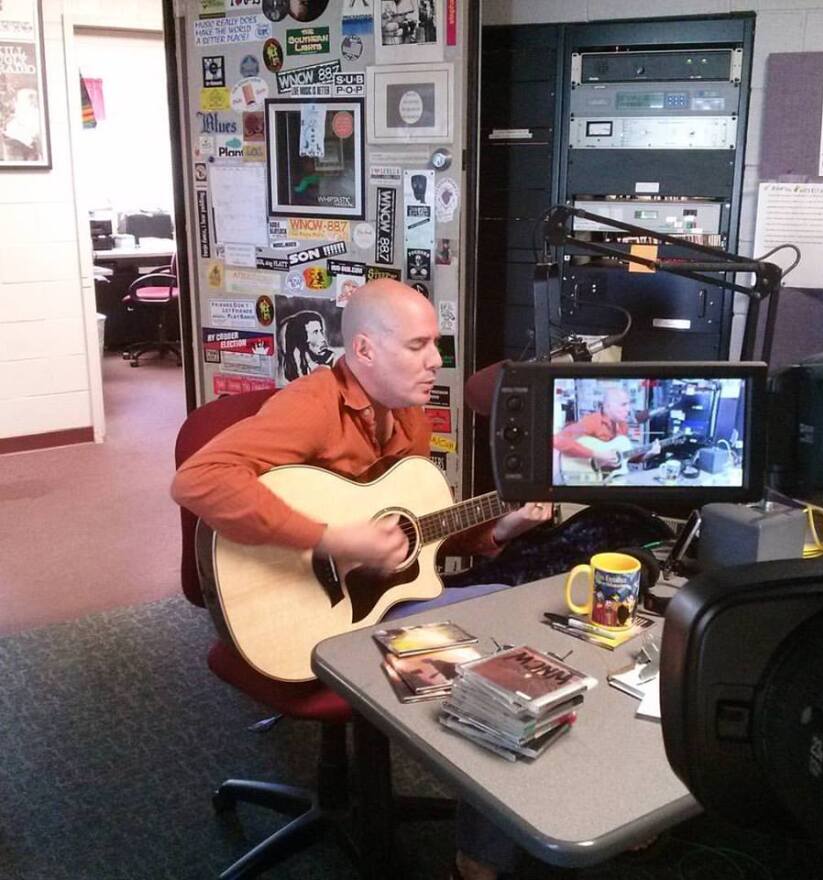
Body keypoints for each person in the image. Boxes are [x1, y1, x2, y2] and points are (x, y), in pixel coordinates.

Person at [172, 280, 550, 880]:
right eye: (419, 345)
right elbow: (198, 481)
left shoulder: (407, 411)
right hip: (304, 614)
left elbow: (415, 535)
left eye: (438, 344)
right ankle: (479, 862)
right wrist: (329, 537)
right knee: (494, 659)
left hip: (375, 603)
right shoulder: (311, 405)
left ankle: (490, 839)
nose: (436, 361)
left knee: (509, 614)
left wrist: (501, 529)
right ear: (366, 351)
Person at [277, 309, 335, 382]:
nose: (323, 339)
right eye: (315, 332)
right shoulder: (286, 371)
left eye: (321, 331)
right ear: (302, 338)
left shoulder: (332, 359)